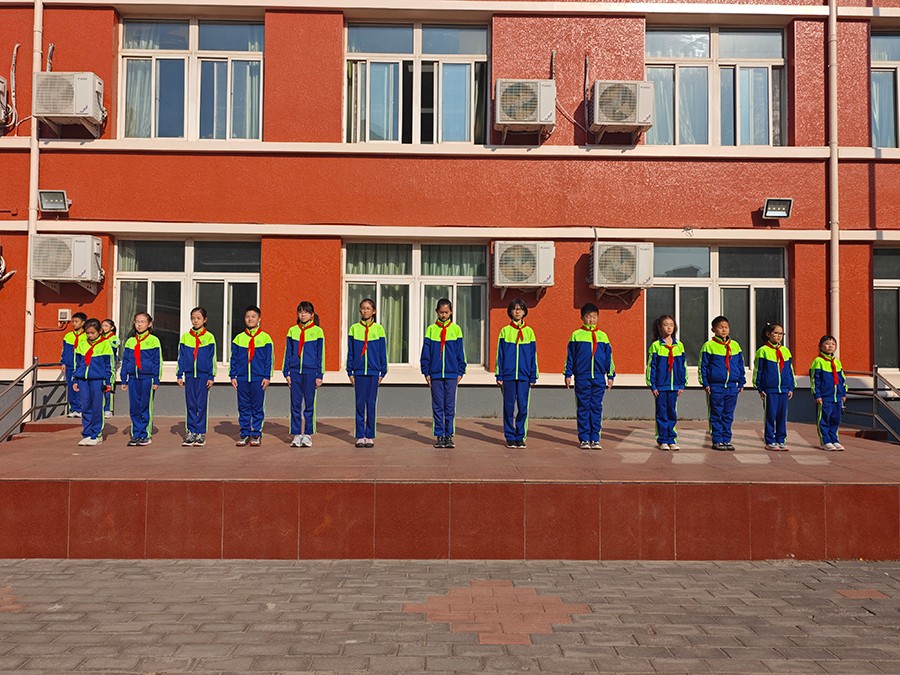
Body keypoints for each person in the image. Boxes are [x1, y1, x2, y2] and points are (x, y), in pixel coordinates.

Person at [564, 302, 615, 449]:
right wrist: (568, 373)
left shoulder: (603, 336)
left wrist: (610, 376)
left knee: (596, 407)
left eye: (594, 317)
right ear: (582, 318)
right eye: (588, 316)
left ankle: (595, 438)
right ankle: (584, 438)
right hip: (582, 376)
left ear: (598, 318)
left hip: (598, 377)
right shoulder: (576, 335)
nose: (591, 320)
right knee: (583, 407)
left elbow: (609, 357)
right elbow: (570, 356)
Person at [421, 298, 466, 448]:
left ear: (451, 312)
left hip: (452, 374)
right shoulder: (431, 329)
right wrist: (426, 372)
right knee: (438, 405)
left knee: (450, 405)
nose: (444, 315)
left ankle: (449, 435)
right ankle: (439, 435)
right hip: (435, 374)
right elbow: (426, 353)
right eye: (441, 312)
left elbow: (460, 352)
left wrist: (461, 371)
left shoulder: (456, 329)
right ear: (436, 312)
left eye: (446, 312)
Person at [495, 298, 538, 448]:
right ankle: (510, 436)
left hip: (524, 376)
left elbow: (533, 355)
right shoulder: (505, 331)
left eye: (520, 309)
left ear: (525, 311)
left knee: (523, 407)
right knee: (508, 407)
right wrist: (499, 374)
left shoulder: (529, 332)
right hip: (508, 376)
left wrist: (533, 375)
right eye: (514, 309)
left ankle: (520, 436)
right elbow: (500, 355)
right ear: (510, 312)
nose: (517, 311)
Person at [699, 316, 745, 451]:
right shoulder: (709, 346)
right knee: (716, 414)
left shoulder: (735, 345)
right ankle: (717, 440)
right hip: (716, 386)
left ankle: (726, 439)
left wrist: (741, 381)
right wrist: (705, 383)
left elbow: (740, 364)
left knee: (728, 415)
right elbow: (703, 366)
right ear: (713, 329)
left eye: (726, 327)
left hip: (731, 387)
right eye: (720, 327)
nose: (724, 330)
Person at [283, 301, 324, 448]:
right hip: (295, 372)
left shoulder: (318, 331)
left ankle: (307, 434)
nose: (303, 314)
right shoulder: (292, 331)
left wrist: (319, 374)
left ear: (311, 315)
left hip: (311, 372)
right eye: (300, 312)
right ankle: (296, 434)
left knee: (309, 404)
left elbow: (321, 355)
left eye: (306, 312)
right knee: (295, 404)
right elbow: (287, 352)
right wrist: (286, 372)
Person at [231, 305, 274, 447]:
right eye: (247, 317)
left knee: (257, 407)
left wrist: (267, 376)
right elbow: (234, 358)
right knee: (243, 407)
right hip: (242, 378)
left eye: (253, 316)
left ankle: (256, 433)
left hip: (258, 378)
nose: (250, 319)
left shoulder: (265, 338)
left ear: (259, 319)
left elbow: (269, 359)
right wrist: (233, 375)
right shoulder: (238, 338)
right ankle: (244, 433)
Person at [347, 298, 387, 448]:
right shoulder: (354, 328)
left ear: (374, 311)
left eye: (368, 308)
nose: (365, 311)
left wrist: (383, 371)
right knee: (359, 404)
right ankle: (360, 435)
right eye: (363, 308)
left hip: (373, 371)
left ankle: (369, 435)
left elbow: (382, 352)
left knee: (371, 403)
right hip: (358, 372)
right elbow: (351, 352)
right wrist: (350, 371)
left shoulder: (378, 329)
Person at [176, 307, 217, 447]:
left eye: (198, 318)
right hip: (189, 376)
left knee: (201, 404)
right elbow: (181, 357)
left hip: (203, 376)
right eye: (193, 318)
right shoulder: (185, 337)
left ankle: (200, 432)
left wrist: (211, 376)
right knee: (191, 404)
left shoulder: (209, 337)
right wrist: (179, 374)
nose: (195, 321)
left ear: (205, 320)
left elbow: (212, 358)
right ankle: (191, 431)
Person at [120, 312, 162, 447]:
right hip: (133, 378)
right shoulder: (130, 341)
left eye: (143, 322)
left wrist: (156, 379)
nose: (139, 324)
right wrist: (124, 379)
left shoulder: (154, 341)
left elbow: (157, 361)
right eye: (137, 321)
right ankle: (136, 434)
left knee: (145, 407)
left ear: (149, 324)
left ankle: (145, 435)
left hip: (147, 378)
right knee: (134, 407)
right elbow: (125, 361)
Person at [646, 314, 687, 451]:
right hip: (661, 386)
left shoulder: (679, 346)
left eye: (671, 325)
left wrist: (682, 384)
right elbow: (651, 367)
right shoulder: (656, 346)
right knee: (661, 413)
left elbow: (683, 366)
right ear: (659, 327)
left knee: (672, 413)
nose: (669, 327)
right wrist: (653, 385)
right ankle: (662, 440)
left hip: (674, 386)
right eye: (665, 325)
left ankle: (672, 439)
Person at [72, 318, 115, 446]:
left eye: (92, 333)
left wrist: (108, 382)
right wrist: (75, 379)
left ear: (100, 331)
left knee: (97, 407)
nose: (90, 335)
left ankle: (96, 435)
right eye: (87, 333)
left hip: (98, 380)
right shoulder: (82, 344)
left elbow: (109, 366)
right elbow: (77, 363)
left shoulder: (105, 344)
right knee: (85, 406)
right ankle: (87, 433)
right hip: (83, 380)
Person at [753, 322, 795, 451]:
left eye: (781, 333)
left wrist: (791, 387)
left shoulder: (785, 351)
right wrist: (760, 388)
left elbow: (790, 370)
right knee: (770, 416)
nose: (778, 336)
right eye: (776, 333)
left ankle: (781, 440)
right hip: (769, 390)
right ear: (768, 334)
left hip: (784, 389)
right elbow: (758, 370)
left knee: (782, 416)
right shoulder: (763, 351)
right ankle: (770, 440)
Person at [810, 335, 847, 451]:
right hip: (825, 397)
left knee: (835, 419)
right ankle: (825, 441)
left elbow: (842, 379)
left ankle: (834, 439)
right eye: (827, 343)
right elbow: (815, 380)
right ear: (820, 346)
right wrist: (817, 395)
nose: (830, 346)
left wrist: (843, 393)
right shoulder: (818, 361)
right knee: (824, 419)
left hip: (837, 396)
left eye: (833, 344)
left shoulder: (837, 362)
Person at [61, 311, 87, 418]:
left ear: (83, 323)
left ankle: (81, 409)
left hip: (81, 366)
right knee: (71, 387)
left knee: (80, 387)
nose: (74, 324)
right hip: (70, 365)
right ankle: (73, 408)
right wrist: (63, 362)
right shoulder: (68, 336)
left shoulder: (86, 336)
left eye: (76, 321)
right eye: (73, 321)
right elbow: (64, 350)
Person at [101, 319, 118, 418]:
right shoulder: (101, 337)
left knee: (109, 386)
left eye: (106, 326)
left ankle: (108, 409)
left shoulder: (114, 338)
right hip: (101, 365)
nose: (103, 328)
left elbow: (113, 349)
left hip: (109, 365)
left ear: (112, 328)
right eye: (102, 326)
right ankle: (101, 408)